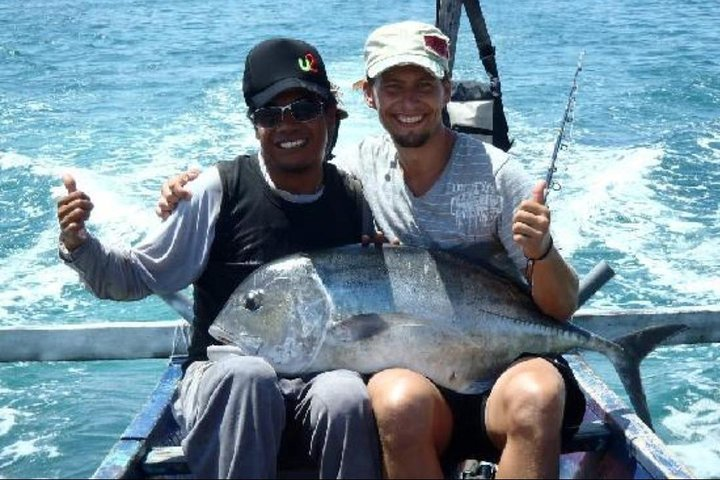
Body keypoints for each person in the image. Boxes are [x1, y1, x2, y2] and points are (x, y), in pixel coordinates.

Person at [156, 21, 586, 479]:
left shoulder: (499, 177)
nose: (409, 102)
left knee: (538, 398)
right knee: (396, 405)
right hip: (420, 378)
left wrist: (541, 251)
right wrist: (186, 191)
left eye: (424, 86)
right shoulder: (359, 170)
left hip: (498, 363)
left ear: (446, 90)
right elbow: (286, 169)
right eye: (393, 87)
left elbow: (560, 308)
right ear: (368, 95)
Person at [56, 38, 381, 479]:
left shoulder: (355, 199)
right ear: (254, 125)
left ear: (329, 113)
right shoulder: (218, 191)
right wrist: (79, 244)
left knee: (345, 393)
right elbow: (132, 276)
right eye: (270, 114)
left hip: (316, 379)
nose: (288, 126)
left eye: (303, 109)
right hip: (222, 381)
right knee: (248, 377)